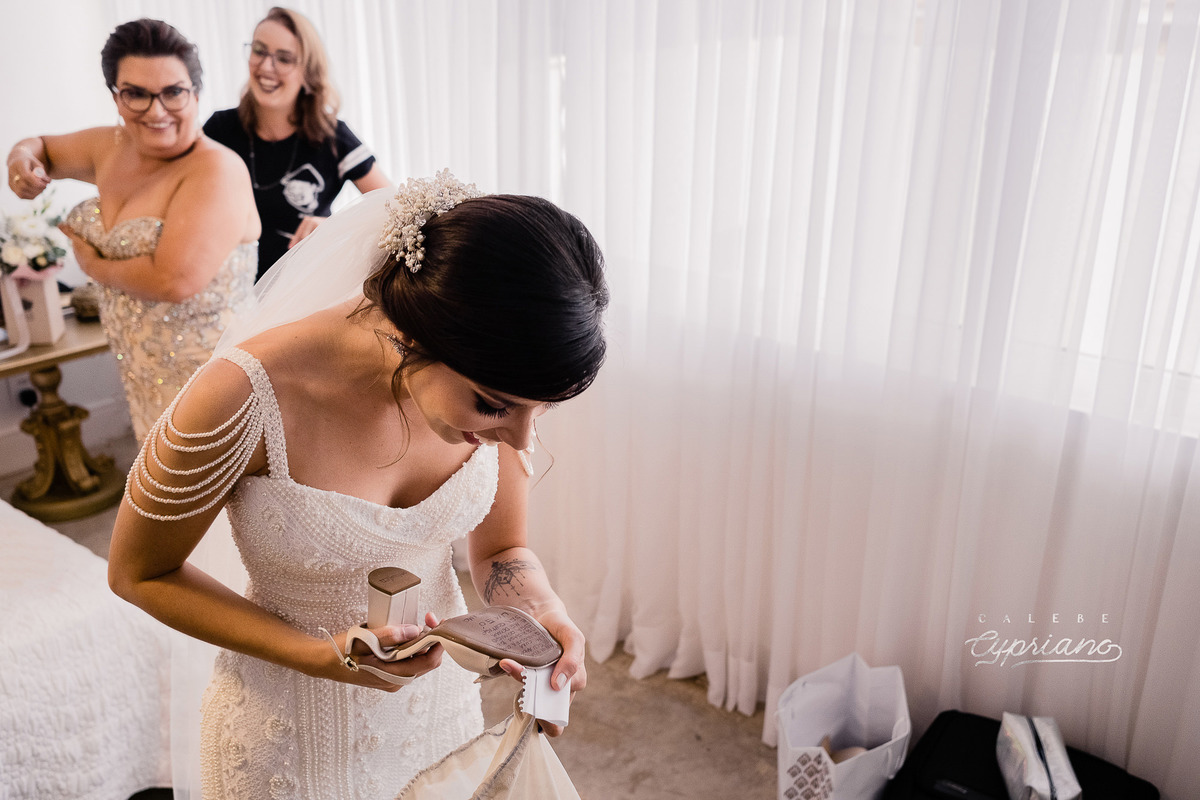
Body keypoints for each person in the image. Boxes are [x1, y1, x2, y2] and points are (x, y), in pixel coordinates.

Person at [106, 170, 609, 799]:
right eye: (493, 405)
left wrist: (540, 609)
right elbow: (139, 573)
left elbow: (503, 549)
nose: (521, 438)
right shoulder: (243, 396)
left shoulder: (503, 386)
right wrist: (322, 656)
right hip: (289, 739)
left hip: (436, 718)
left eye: (541, 410)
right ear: (418, 334)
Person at [5, 18, 260, 443]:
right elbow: (41, 147)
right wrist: (19, 161)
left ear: (196, 93)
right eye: (136, 94)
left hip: (214, 381)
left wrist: (93, 265)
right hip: (143, 373)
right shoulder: (110, 146)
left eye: (173, 92)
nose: (155, 111)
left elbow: (173, 281)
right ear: (116, 97)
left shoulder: (216, 169)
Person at [204, 6, 391, 280]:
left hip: (304, 290)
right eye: (259, 50)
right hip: (228, 288)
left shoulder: (334, 137)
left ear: (308, 72)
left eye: (284, 58)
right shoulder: (219, 129)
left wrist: (335, 228)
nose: (266, 67)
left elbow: (395, 212)